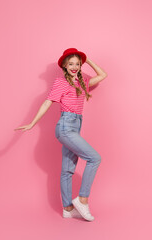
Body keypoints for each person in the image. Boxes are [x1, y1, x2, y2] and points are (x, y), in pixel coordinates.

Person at [15, 48, 107, 221]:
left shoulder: (83, 81)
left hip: (75, 126)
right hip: (65, 127)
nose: (74, 67)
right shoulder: (61, 82)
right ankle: (82, 200)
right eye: (71, 63)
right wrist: (32, 123)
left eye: (77, 64)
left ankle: (67, 208)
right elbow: (47, 103)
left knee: (67, 170)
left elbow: (103, 75)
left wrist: (87, 60)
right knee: (94, 158)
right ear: (64, 65)